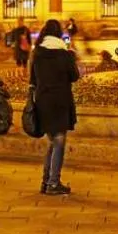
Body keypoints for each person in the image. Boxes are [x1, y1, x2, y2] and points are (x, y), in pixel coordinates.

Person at [29, 19, 80, 195]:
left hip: (43, 100)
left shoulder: (37, 53)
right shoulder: (64, 54)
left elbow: (32, 80)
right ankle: (53, 182)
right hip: (60, 100)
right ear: (59, 33)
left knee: (53, 141)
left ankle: (46, 181)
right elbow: (74, 76)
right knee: (59, 141)